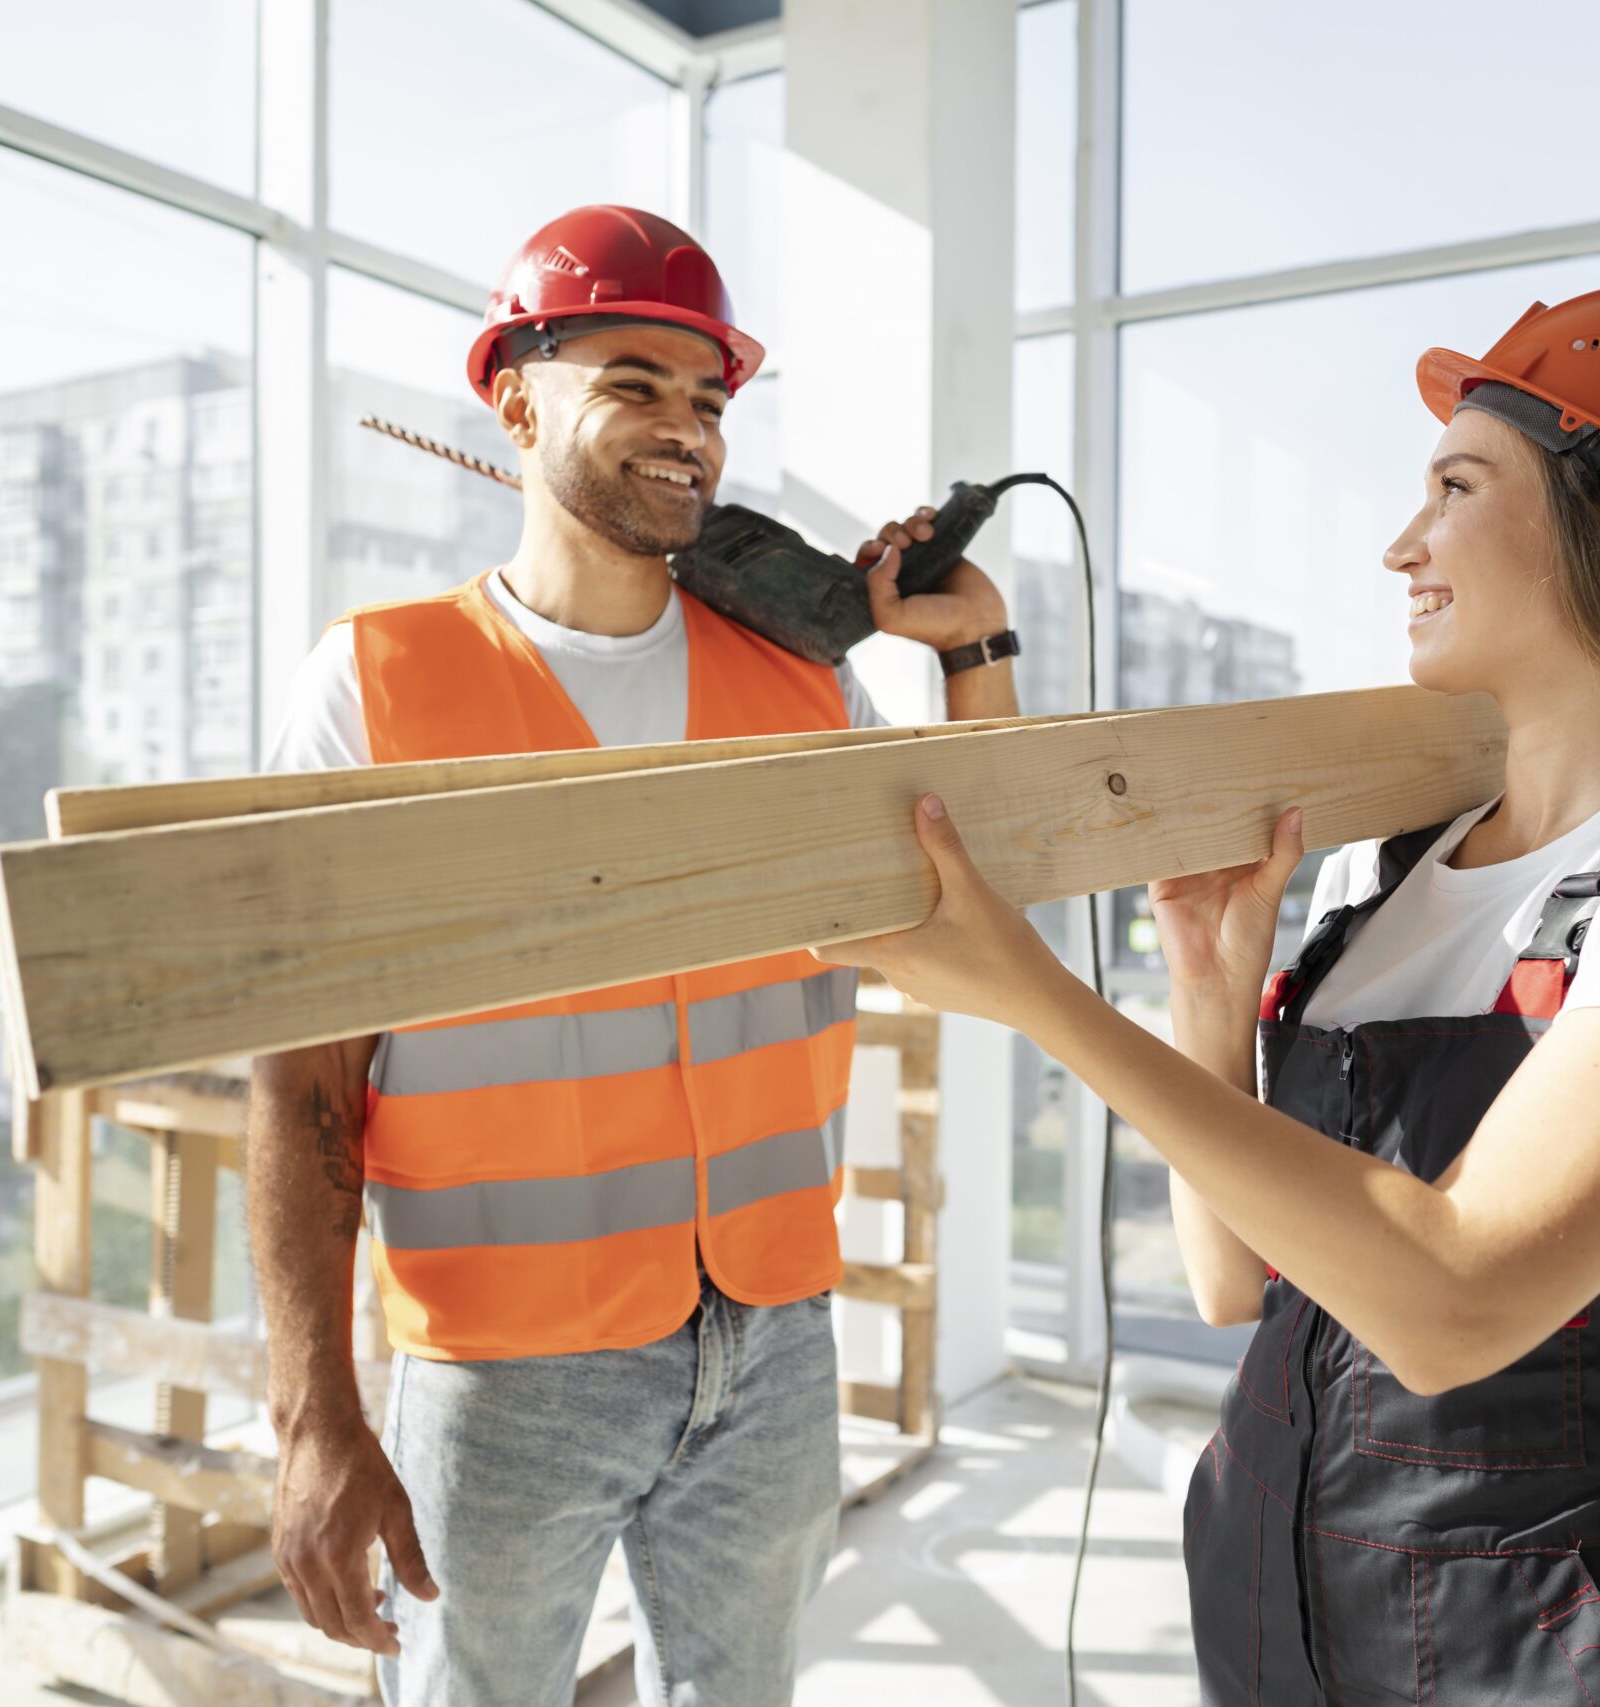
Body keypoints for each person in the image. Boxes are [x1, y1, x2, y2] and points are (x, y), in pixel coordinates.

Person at [821, 281, 1600, 1704]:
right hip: (1278, 1594)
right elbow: (1237, 1281)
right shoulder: (1382, 872)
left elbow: (1450, 1302)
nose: (1400, 543)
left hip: (1540, 1637)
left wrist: (1044, 1000)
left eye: (1455, 486)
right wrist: (1208, 998)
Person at [248, 204, 1021, 1705]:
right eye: (635, 384)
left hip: (778, 1339)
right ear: (515, 395)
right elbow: (302, 1080)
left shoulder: (804, 682)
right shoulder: (378, 683)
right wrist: (314, 1419)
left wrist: (969, 654)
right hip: (502, 1363)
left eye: (711, 400)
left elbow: (962, 927)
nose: (688, 432)